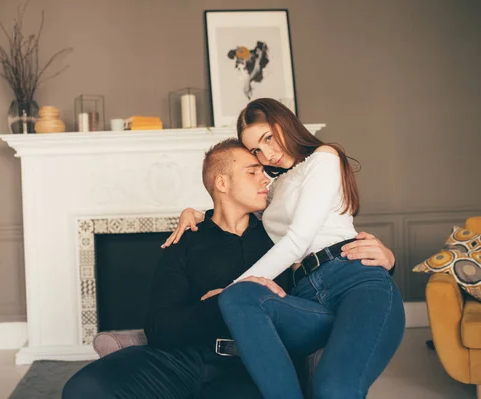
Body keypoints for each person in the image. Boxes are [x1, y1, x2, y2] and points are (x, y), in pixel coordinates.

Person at [62, 138, 397, 399]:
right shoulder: (187, 240)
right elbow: (160, 327)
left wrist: (384, 258)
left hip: (252, 367)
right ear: (221, 183)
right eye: (252, 171)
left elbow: (329, 279)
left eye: (264, 170)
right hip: (183, 359)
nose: (264, 178)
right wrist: (221, 302)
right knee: (85, 389)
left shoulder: (282, 240)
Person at [165, 98, 405, 399]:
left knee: (332, 389)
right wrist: (200, 213)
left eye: (268, 138)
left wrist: (389, 259)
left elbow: (299, 240)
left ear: (285, 123)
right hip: (306, 296)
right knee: (239, 298)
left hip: (354, 282)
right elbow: (235, 205)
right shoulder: (275, 187)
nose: (267, 154)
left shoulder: (323, 158)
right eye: (256, 150)